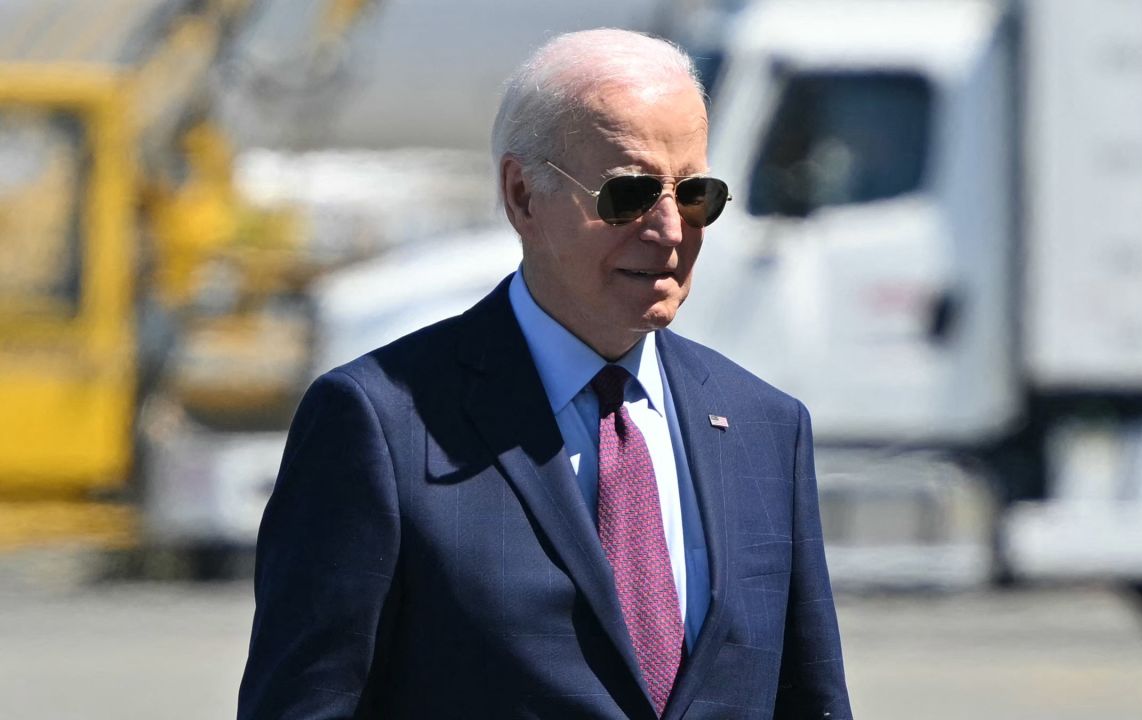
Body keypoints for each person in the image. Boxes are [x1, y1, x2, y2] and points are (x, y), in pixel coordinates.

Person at [238, 28, 852, 719]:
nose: (671, 231)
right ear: (523, 195)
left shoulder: (765, 429)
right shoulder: (383, 426)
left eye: (696, 195)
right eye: (629, 194)